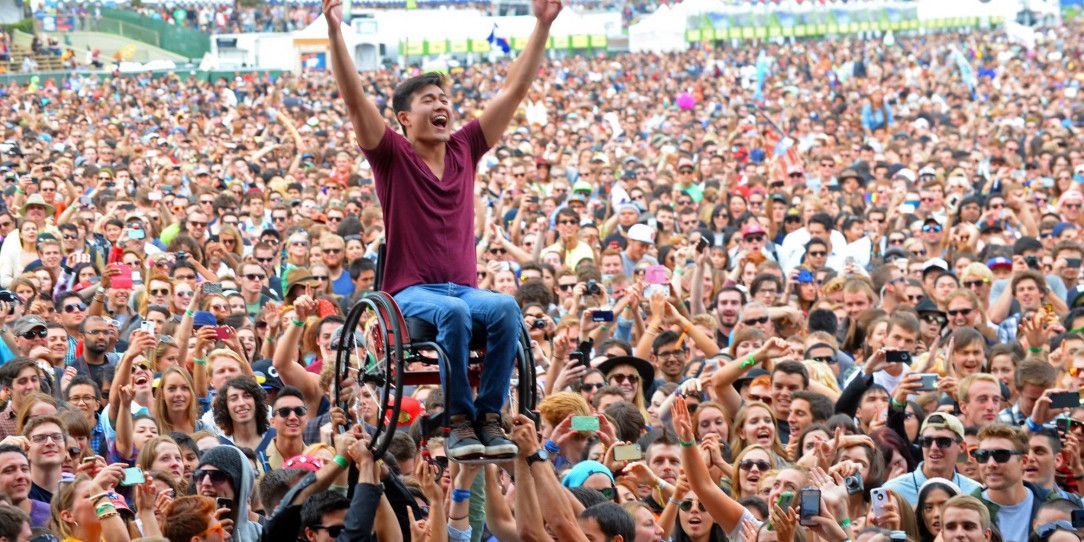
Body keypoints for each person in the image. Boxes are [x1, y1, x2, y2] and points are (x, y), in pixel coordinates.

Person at [324, 0, 561, 461]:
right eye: (429, 100)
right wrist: (335, 31)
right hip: (409, 292)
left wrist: (541, 24)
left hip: (463, 288)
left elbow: (513, 90)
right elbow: (354, 100)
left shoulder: (465, 147)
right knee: (452, 313)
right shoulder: (391, 154)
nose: (442, 106)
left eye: (445, 100)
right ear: (405, 119)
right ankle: (457, 421)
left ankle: (488, 418)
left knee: (507, 309)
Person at [883, 412, 982, 506]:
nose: (934, 447)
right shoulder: (893, 491)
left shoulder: (975, 492)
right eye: (926, 441)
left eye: (943, 441)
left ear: (961, 447)